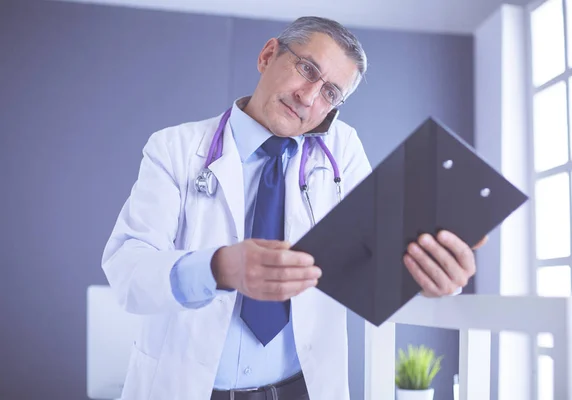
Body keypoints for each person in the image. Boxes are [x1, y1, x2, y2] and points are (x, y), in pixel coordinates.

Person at [102, 16, 484, 400]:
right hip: (186, 386)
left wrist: (428, 276)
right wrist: (218, 267)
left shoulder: (342, 151)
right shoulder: (175, 149)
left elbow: (375, 262)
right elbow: (127, 269)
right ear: (268, 55)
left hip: (300, 389)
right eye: (307, 69)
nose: (308, 96)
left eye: (331, 92)